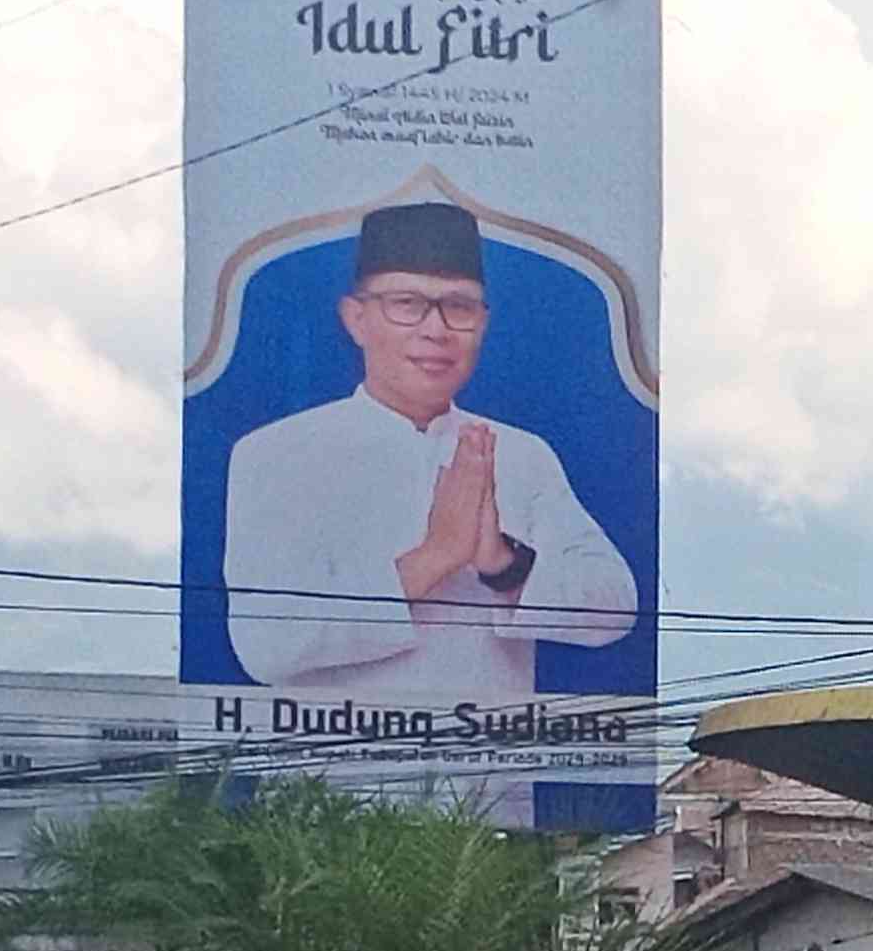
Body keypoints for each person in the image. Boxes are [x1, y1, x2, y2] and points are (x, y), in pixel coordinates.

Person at [218, 200, 644, 700]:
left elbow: (615, 607)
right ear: (356, 319)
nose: (436, 330)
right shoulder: (274, 453)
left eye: (459, 306)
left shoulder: (522, 455)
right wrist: (435, 556)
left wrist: (501, 562)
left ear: (482, 324)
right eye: (406, 304)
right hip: (321, 771)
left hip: (492, 767)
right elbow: (265, 641)